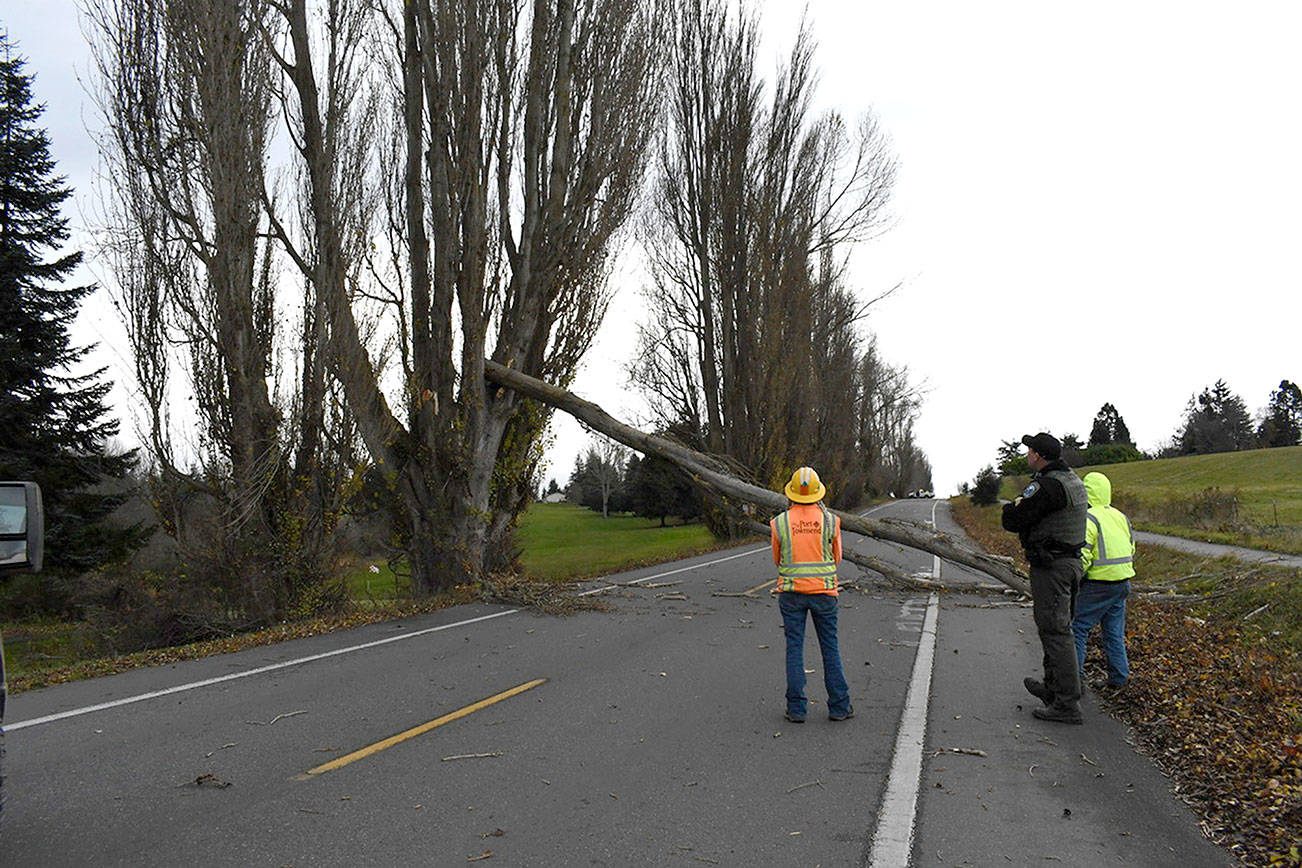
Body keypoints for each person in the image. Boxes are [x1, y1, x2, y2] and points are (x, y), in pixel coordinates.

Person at [1001, 433, 1088, 725]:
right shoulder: (1071, 479)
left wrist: (1010, 507)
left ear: (1038, 455)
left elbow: (1012, 519)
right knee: (1060, 629)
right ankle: (1055, 689)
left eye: (1029, 451)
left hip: (1053, 566)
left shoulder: (1047, 485)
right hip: (1071, 563)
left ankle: (1066, 703)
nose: (1027, 455)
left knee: (1055, 631)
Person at [771, 466, 853, 724]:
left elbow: (778, 559)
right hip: (825, 593)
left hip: (792, 593)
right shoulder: (831, 521)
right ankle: (839, 706)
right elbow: (837, 558)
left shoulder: (779, 522)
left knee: (794, 648)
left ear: (791, 493)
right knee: (830, 648)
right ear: (818, 492)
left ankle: (796, 709)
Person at [1072, 471, 1134, 691]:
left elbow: (1084, 556)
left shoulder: (1089, 518)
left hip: (1098, 584)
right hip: (1123, 583)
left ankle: (1074, 681)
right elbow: (1131, 547)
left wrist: (1073, 580)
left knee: (1077, 627)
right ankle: (1119, 678)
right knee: (1113, 632)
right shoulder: (1120, 516)